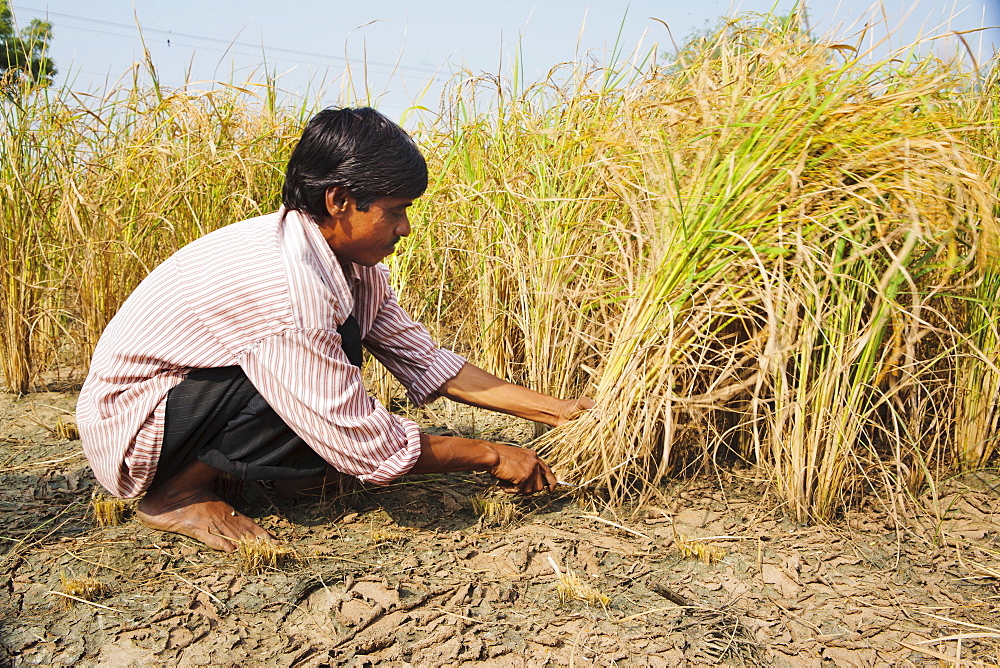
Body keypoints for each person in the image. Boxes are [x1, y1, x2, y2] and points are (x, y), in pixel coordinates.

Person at [77, 107, 592, 553]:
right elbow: (363, 442)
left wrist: (560, 412)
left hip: (189, 406)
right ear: (339, 200)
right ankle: (178, 495)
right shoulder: (286, 286)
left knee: (338, 348)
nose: (405, 228)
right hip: (137, 426)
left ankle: (236, 472)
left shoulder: (350, 265)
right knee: (318, 380)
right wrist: (492, 454)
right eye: (395, 212)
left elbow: (425, 360)